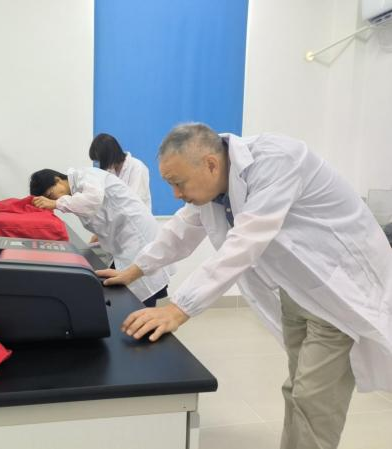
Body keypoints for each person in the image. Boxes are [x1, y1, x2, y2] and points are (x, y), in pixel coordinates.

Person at [97, 123, 392, 449]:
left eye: (178, 183)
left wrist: (179, 309)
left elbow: (245, 240)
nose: (176, 194)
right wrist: (135, 270)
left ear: (210, 164)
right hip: (296, 290)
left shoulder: (277, 160)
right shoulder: (214, 188)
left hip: (337, 288)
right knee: (296, 389)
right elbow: (181, 230)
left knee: (314, 399)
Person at [29, 167, 171, 306]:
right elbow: (101, 213)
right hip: (123, 241)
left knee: (139, 291)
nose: (53, 199)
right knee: (129, 288)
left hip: (136, 235)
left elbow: (93, 200)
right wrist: (98, 235)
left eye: (50, 194)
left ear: (57, 180)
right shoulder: (75, 194)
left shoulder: (86, 175)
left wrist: (55, 203)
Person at [89, 133, 152, 210]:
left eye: (101, 161)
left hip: (136, 216)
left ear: (109, 156)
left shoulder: (137, 168)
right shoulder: (109, 170)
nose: (101, 165)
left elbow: (134, 203)